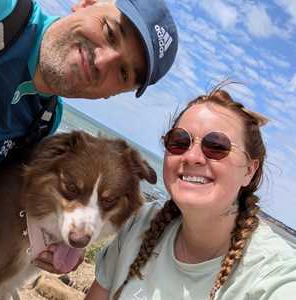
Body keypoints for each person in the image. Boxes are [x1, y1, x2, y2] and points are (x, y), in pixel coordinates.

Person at [84, 87, 296, 300]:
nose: (192, 156)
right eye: (179, 142)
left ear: (249, 170)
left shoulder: (272, 275)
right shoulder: (141, 224)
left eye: (216, 146)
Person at [0, 0, 178, 165]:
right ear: (86, 4)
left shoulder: (46, 120)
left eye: (123, 73)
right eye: (110, 33)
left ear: (113, 94)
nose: (101, 62)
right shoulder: (3, 12)